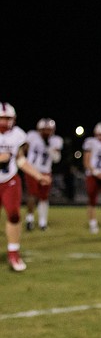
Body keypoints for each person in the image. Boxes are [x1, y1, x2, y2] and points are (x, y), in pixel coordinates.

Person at [0, 103, 52, 271]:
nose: (4, 121)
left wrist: (38, 176)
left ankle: (13, 253)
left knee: (14, 215)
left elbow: (20, 160)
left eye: (7, 118)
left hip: (9, 180)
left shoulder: (18, 135)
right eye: (1, 118)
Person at [24, 117, 63, 231]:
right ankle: (30, 219)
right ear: (39, 129)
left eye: (49, 129)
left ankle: (42, 222)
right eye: (44, 129)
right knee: (32, 195)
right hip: (32, 170)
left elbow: (56, 159)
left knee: (44, 197)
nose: (47, 132)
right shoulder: (32, 136)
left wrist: (51, 149)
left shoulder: (56, 140)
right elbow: (23, 150)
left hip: (46, 172)